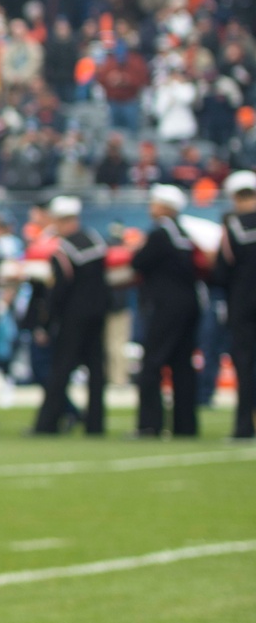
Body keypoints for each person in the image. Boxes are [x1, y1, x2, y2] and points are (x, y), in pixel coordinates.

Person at [30, 198, 108, 435]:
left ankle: (47, 424)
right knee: (96, 371)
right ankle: (95, 424)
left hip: (73, 317)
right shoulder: (95, 241)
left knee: (60, 369)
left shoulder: (64, 251)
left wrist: (46, 322)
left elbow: (58, 292)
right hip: (98, 314)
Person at [132, 180, 203, 439]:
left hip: (166, 306)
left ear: (164, 206)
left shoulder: (160, 233)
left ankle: (149, 424)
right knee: (182, 365)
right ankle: (186, 425)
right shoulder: (184, 233)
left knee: (152, 363)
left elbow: (138, 262)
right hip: (189, 303)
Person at [215, 171, 256, 439]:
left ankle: (244, 426)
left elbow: (220, 273)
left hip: (244, 306)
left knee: (246, 366)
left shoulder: (234, 228)